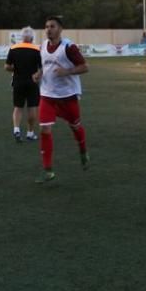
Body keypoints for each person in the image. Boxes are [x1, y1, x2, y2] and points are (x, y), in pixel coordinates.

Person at [35, 16, 90, 182]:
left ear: (60, 29)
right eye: (46, 26)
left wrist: (67, 71)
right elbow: (43, 67)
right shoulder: (42, 46)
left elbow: (85, 67)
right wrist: (38, 74)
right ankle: (48, 170)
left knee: (75, 126)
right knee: (44, 129)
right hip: (47, 95)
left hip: (67, 96)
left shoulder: (69, 47)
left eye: (52, 26)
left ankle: (82, 150)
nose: (48, 29)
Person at [5, 26, 42, 142]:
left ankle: (16, 129)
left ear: (22, 37)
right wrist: (37, 74)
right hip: (32, 82)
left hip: (18, 82)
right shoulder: (37, 50)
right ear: (32, 38)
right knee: (32, 107)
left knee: (18, 107)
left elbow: (7, 66)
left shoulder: (14, 48)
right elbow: (42, 68)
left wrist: (15, 70)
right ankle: (30, 133)